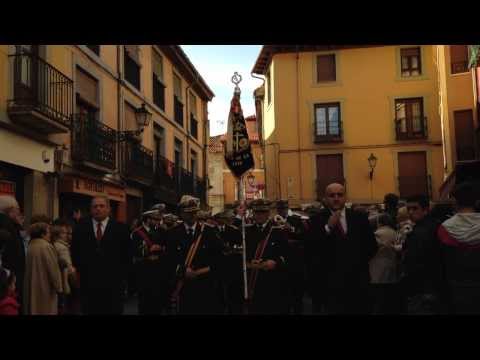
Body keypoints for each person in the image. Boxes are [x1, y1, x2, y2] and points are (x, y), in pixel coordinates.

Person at [305, 183, 377, 314]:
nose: (336, 198)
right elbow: (311, 249)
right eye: (332, 195)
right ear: (325, 199)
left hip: (358, 283)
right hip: (331, 285)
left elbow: (371, 246)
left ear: (345, 197)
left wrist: (356, 263)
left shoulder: (359, 218)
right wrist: (327, 228)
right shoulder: (316, 220)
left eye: (340, 195)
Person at [71, 196, 131, 315]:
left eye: (102, 206)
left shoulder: (121, 228)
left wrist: (122, 279)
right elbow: (75, 254)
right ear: (90, 209)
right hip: (88, 288)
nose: (98, 209)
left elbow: (127, 256)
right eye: (95, 206)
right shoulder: (80, 228)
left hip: (113, 288)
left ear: (109, 209)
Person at [168, 195, 223, 314]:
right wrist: (182, 271)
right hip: (183, 286)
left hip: (205, 285)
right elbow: (168, 259)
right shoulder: (172, 233)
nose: (192, 215)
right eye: (188, 212)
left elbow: (219, 257)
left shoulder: (209, 232)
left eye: (194, 212)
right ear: (181, 213)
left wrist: (205, 271)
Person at [437, 182, 480, 314]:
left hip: (456, 287)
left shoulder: (444, 229)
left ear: (455, 201)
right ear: (477, 201)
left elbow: (441, 263)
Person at [400, 194, 445, 315]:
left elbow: (413, 262)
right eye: (408, 208)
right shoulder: (436, 224)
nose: (410, 212)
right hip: (434, 285)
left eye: (415, 208)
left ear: (426, 210)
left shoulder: (420, 231)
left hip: (421, 287)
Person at [245, 199, 289, 315]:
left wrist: (275, 262)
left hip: (272, 282)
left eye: (263, 212)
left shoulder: (278, 230)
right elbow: (241, 254)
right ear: (253, 213)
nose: (259, 215)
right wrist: (249, 262)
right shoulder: (246, 232)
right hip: (253, 281)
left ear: (268, 213)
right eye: (257, 212)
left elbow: (287, 255)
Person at [132, 205, 170, 315]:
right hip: (144, 272)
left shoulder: (161, 232)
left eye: (159, 219)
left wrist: (161, 249)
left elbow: (167, 248)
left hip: (158, 271)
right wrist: (148, 251)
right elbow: (133, 252)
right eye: (155, 219)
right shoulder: (137, 233)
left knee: (157, 302)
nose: (158, 222)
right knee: (144, 302)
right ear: (148, 219)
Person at [275, 199, 307, 314]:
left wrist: (291, 229)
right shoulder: (274, 221)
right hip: (281, 262)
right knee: (283, 297)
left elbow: (304, 236)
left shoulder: (296, 219)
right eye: (279, 209)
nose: (282, 211)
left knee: (297, 297)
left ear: (287, 208)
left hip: (295, 261)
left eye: (284, 208)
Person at [24, 221, 63, 315]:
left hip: (32, 288)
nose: (50, 235)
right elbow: (53, 270)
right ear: (42, 234)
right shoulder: (46, 246)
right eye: (48, 232)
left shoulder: (30, 246)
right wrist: (59, 287)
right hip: (45, 289)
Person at [369, 213, 400, 314]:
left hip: (378, 268)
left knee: (378, 299)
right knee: (388, 297)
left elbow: (371, 249)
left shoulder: (378, 233)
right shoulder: (394, 232)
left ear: (379, 222)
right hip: (391, 266)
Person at [215, 209, 243, 314]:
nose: (225, 220)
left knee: (233, 294)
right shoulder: (211, 231)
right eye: (222, 218)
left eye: (226, 218)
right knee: (219, 294)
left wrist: (232, 250)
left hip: (231, 267)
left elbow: (239, 247)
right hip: (217, 267)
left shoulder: (234, 230)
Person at [0, 195, 25, 313]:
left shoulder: (10, 225)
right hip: (9, 279)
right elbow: (12, 254)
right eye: (18, 210)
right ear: (10, 210)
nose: (19, 213)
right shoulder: (7, 226)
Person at [52, 219, 76, 314]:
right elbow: (68, 267)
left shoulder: (55, 244)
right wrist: (73, 270)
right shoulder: (62, 247)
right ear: (59, 234)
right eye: (64, 233)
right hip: (65, 280)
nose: (67, 235)